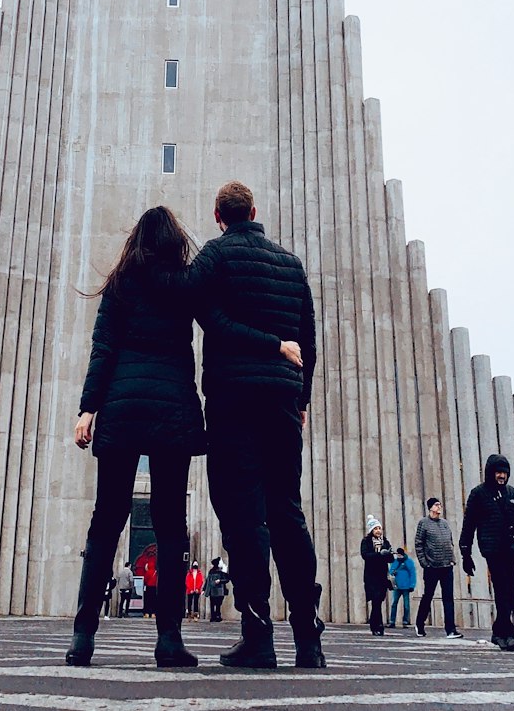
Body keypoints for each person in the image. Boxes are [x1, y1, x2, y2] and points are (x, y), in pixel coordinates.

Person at [189, 180, 325, 670]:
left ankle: (259, 635)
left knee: (243, 516)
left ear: (218, 214)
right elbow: (307, 341)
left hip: (233, 402)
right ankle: (308, 637)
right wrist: (302, 397)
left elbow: (193, 304)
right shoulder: (291, 265)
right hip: (283, 403)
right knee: (287, 511)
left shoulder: (215, 256)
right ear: (255, 210)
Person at [65, 207, 204, 669]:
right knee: (169, 525)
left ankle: (83, 637)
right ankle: (168, 640)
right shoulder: (183, 284)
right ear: (174, 242)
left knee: (106, 520)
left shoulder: (122, 284)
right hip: (172, 411)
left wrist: (88, 409)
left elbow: (102, 347)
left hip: (123, 409)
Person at [459, 453, 514, 652]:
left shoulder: (513, 494)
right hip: (493, 549)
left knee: (511, 592)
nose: (502, 476)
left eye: (504, 472)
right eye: (498, 472)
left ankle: (499, 631)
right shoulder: (478, 494)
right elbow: (469, 525)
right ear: (490, 473)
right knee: (502, 590)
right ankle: (508, 634)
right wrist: (465, 553)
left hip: (512, 550)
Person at [414, 497, 462, 638]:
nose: (439, 507)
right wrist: (424, 562)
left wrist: (452, 559)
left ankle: (450, 629)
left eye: (440, 505)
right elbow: (419, 544)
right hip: (432, 567)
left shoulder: (445, 524)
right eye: (436, 505)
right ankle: (420, 623)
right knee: (428, 595)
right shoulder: (423, 523)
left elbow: (450, 542)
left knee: (448, 598)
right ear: (430, 508)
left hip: (447, 566)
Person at [359, 517, 394, 635]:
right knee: (376, 599)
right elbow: (365, 555)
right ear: (371, 530)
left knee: (379, 600)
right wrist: (379, 554)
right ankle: (378, 626)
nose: (378, 531)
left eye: (379, 528)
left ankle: (375, 624)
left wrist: (388, 554)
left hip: (382, 575)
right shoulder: (366, 542)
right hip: (371, 575)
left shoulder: (385, 542)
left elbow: (391, 559)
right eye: (376, 529)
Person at [387, 547, 417, 629]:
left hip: (406, 586)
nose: (399, 556)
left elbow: (412, 573)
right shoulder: (396, 562)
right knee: (394, 604)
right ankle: (392, 621)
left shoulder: (409, 562)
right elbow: (391, 571)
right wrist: (393, 572)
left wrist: (412, 585)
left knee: (406, 605)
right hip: (397, 586)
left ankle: (405, 621)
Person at [135, 546, 159, 619]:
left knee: (147, 601)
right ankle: (154, 613)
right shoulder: (156, 572)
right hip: (155, 587)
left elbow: (145, 580)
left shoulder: (148, 572)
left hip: (148, 587)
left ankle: (147, 613)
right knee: (154, 600)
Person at [204, 557, 228, 621]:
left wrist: (220, 580)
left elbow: (226, 579)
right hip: (213, 590)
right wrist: (204, 589)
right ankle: (213, 616)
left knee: (218, 604)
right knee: (213, 604)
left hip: (219, 590)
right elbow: (208, 580)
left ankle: (217, 616)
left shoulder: (221, 571)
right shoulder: (211, 571)